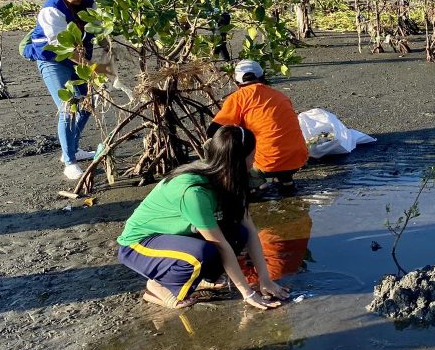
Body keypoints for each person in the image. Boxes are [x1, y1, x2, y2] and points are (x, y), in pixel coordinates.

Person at [117, 125, 289, 310]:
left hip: (178, 236)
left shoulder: (232, 179)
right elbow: (220, 245)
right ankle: (157, 287)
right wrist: (247, 293)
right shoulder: (194, 192)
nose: (254, 161)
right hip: (139, 244)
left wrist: (265, 279)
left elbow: (250, 229)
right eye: (252, 155)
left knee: (239, 233)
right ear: (239, 161)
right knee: (200, 253)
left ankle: (202, 279)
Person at [22, 0, 97, 181]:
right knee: (69, 107)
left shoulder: (88, 2)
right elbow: (63, 47)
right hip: (52, 60)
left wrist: (108, 47)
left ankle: (72, 148)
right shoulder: (51, 10)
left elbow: (99, 28)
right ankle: (70, 161)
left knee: (87, 104)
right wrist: (92, 68)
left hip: (79, 58)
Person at [208, 60, 308, 197]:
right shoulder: (281, 95)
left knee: (224, 141)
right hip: (298, 158)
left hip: (267, 162)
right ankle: (286, 180)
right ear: (263, 77)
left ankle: (256, 183)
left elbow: (213, 131)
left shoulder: (238, 98)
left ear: (237, 83)